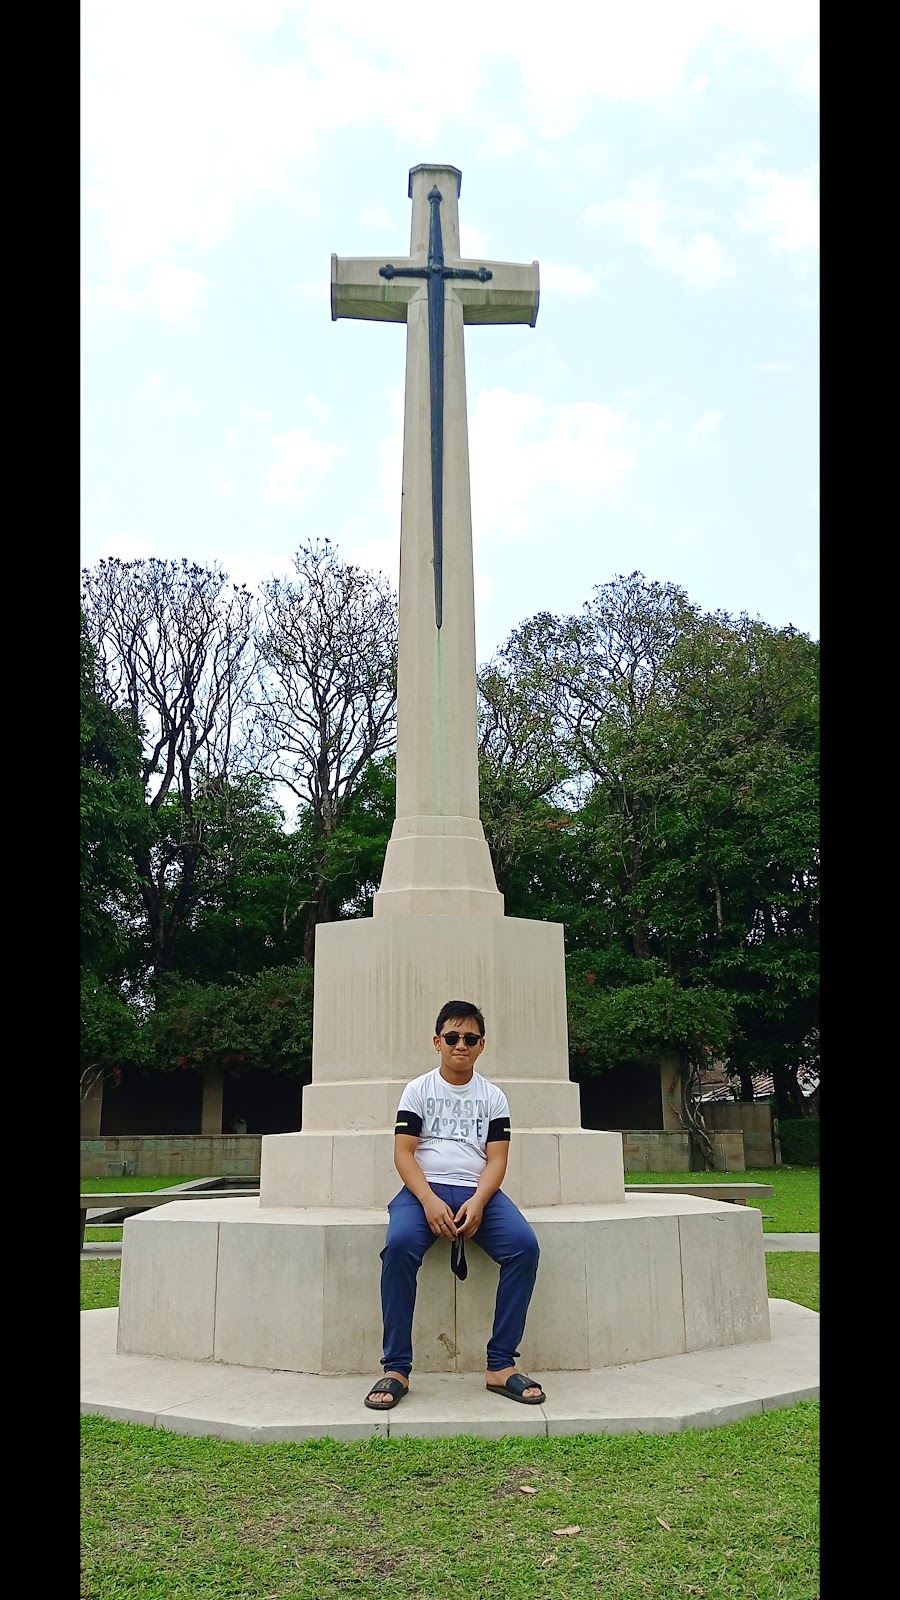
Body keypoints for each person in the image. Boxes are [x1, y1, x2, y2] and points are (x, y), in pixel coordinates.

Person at [364, 1000, 545, 1410]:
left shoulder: (494, 1097)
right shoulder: (418, 1090)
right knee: (398, 1247)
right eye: (452, 1037)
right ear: (437, 1041)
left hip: (477, 1192)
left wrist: (480, 1201)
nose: (460, 1045)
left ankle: (500, 1365)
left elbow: (497, 1158)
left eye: (470, 1038)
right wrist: (427, 1201)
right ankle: (396, 1369)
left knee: (524, 1247)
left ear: (482, 1045)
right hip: (422, 1192)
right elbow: (404, 1153)